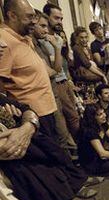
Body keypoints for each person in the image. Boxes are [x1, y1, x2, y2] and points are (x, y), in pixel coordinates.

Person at [0, 0, 58, 139]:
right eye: (29, 17)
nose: (34, 21)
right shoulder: (4, 41)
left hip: (46, 110)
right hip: (32, 115)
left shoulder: (24, 38)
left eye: (34, 17)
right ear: (12, 16)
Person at [42, 3, 80, 140]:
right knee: (65, 120)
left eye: (61, 19)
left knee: (74, 115)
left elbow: (63, 63)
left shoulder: (59, 38)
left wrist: (69, 79)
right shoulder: (41, 40)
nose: (59, 22)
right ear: (47, 17)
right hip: (54, 83)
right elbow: (52, 69)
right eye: (56, 18)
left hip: (64, 81)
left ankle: (83, 147)